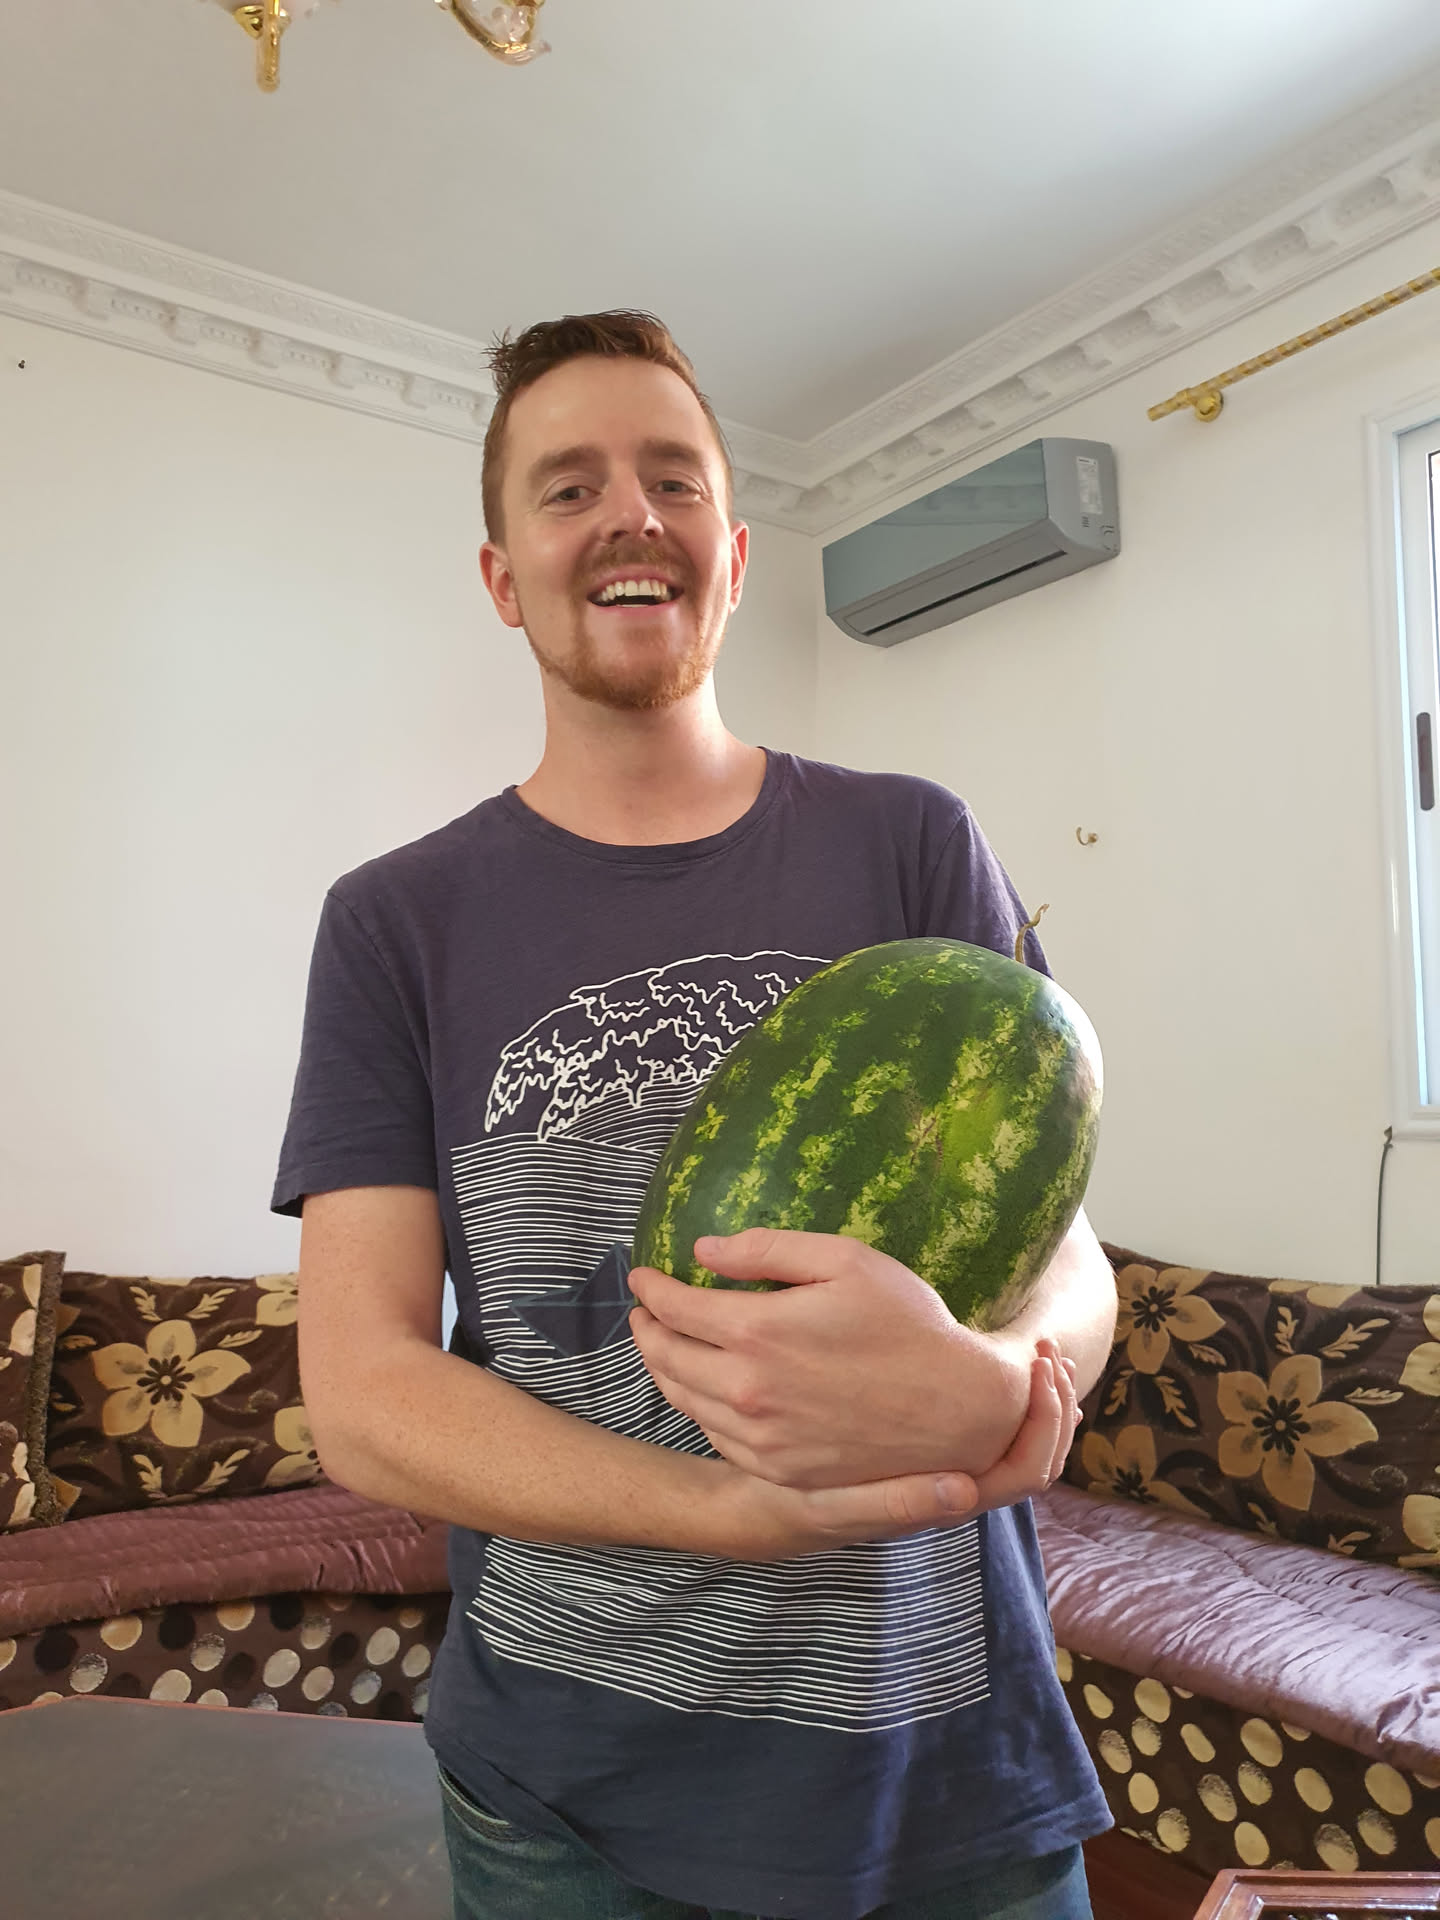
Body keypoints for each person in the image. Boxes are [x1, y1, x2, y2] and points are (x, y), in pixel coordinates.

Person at [272, 311, 1118, 1920]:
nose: (630, 516)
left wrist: (1006, 1380)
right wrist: (727, 1512)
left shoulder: (912, 842)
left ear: (731, 558)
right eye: (568, 487)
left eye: (673, 480)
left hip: (952, 1779)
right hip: (570, 1805)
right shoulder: (394, 922)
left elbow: (1070, 1261)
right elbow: (365, 1394)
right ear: (503, 577)